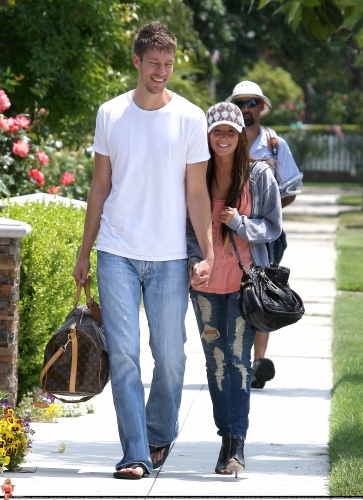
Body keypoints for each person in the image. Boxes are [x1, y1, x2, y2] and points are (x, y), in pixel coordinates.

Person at [73, 21, 213, 480]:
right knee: (127, 355)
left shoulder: (191, 117)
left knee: (170, 355)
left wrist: (207, 253)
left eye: (168, 64)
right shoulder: (110, 113)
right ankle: (134, 452)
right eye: (154, 63)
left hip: (170, 255)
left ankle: (158, 431)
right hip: (116, 251)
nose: (162, 71)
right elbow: (100, 185)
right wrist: (84, 251)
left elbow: (197, 193)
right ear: (137, 61)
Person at [187, 102, 282, 476]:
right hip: (206, 287)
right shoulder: (196, 175)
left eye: (230, 131)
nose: (223, 138)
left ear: (240, 134)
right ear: (207, 136)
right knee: (216, 364)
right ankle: (225, 438)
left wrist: (240, 222)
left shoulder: (258, 176)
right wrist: (194, 261)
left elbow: (272, 226)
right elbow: (185, 227)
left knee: (239, 363)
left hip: (245, 287)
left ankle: (236, 445)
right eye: (217, 131)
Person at [226, 80, 303, 389]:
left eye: (251, 103)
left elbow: (291, 188)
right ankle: (235, 359)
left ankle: (258, 362)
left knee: (261, 292)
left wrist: (265, 207)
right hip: (228, 230)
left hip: (267, 236)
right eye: (240, 103)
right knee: (231, 291)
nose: (246, 109)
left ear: (261, 107)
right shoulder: (223, 138)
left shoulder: (274, 145)